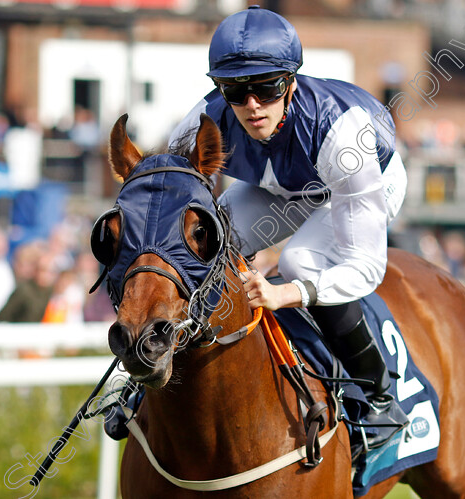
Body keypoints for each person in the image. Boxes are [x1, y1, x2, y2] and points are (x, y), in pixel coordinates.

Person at [169, 6, 409, 448]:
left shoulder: (341, 133)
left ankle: (379, 397)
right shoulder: (200, 125)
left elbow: (366, 269)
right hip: (285, 185)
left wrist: (283, 294)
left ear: (291, 82)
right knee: (205, 238)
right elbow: (171, 209)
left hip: (357, 179)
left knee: (299, 262)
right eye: (236, 91)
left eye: (266, 87)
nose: (252, 105)